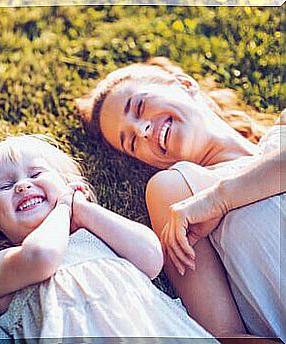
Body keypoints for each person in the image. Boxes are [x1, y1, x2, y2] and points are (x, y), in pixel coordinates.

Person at [76, 57, 284, 339]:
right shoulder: (177, 191)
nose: (142, 130)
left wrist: (220, 199)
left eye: (139, 106)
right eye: (132, 143)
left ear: (185, 85)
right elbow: (226, 335)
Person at [0, 134, 216, 340]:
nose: (22, 186)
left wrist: (83, 209)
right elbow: (42, 256)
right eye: (5, 186)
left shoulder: (98, 235)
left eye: (35, 174)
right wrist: (64, 208)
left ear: (70, 187)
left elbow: (151, 258)